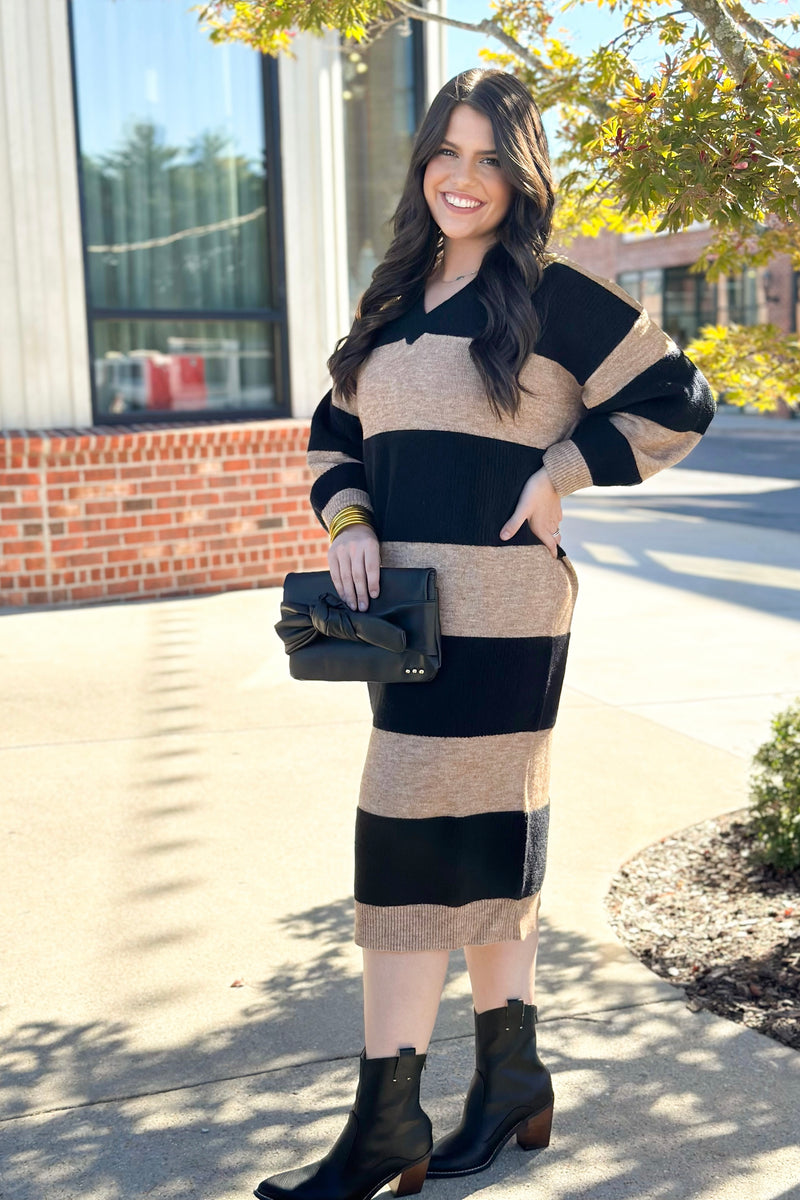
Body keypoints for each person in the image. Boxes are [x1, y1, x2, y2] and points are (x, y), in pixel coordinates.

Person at [255, 67, 715, 1200]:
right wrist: (350, 517)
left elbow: (679, 399)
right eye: (446, 153)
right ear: (423, 164)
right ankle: (508, 1076)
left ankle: (384, 1126)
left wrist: (563, 467)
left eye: (490, 158)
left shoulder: (552, 297)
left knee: (404, 837)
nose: (465, 179)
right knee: (476, 831)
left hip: (505, 610)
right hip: (401, 616)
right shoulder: (395, 294)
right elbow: (332, 432)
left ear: (520, 174)